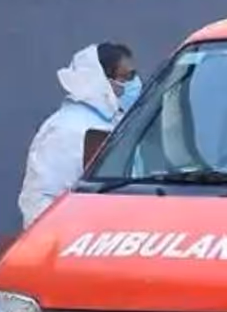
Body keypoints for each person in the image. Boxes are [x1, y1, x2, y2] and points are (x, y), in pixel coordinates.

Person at [18, 43, 139, 227]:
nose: (134, 84)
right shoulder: (67, 129)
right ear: (101, 80)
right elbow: (41, 201)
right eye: (126, 77)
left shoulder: (114, 122)